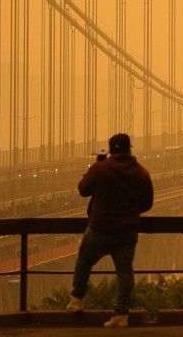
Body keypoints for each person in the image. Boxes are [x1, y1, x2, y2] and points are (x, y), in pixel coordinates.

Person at [66, 133, 154, 328]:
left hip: (100, 228)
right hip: (128, 231)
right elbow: (147, 204)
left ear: (110, 150)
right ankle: (122, 315)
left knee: (84, 259)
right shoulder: (142, 173)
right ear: (129, 149)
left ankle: (77, 301)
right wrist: (129, 212)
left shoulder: (100, 169)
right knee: (125, 272)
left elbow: (83, 190)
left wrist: (95, 166)